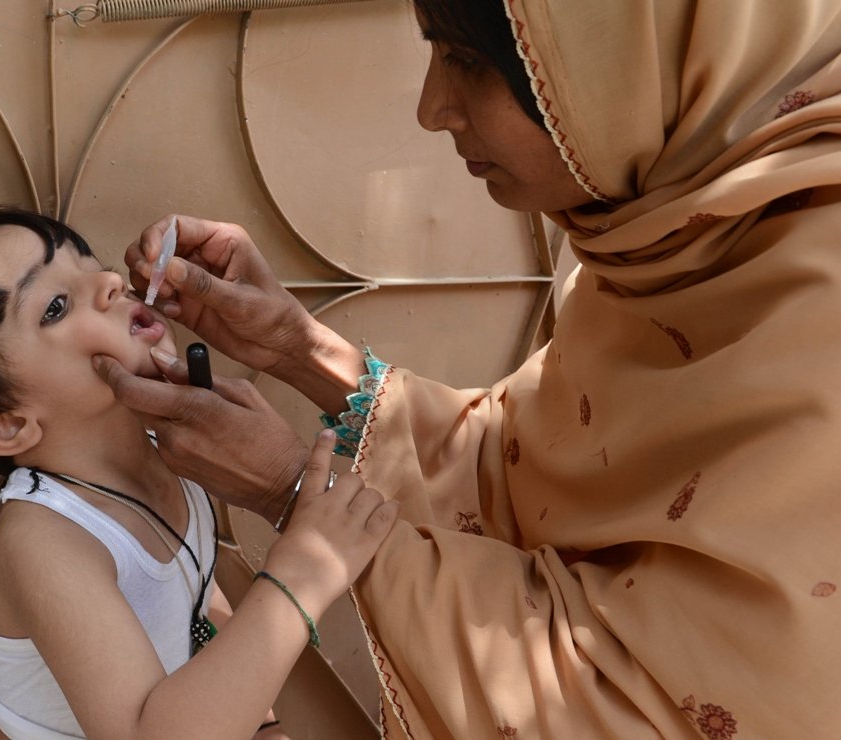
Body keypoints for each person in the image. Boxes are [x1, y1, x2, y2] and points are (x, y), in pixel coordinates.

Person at [92, 0, 841, 737]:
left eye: (468, 61)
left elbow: (641, 705)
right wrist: (298, 347)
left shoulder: (815, 333)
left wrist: (294, 497)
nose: (431, 108)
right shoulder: (664, 245)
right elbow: (520, 461)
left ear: (625, 70)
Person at [0, 207, 399, 740]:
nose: (112, 282)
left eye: (88, 261)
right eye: (55, 307)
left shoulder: (174, 452)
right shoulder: (43, 541)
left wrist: (263, 723)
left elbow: (196, 596)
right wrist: (298, 580)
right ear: (6, 424)